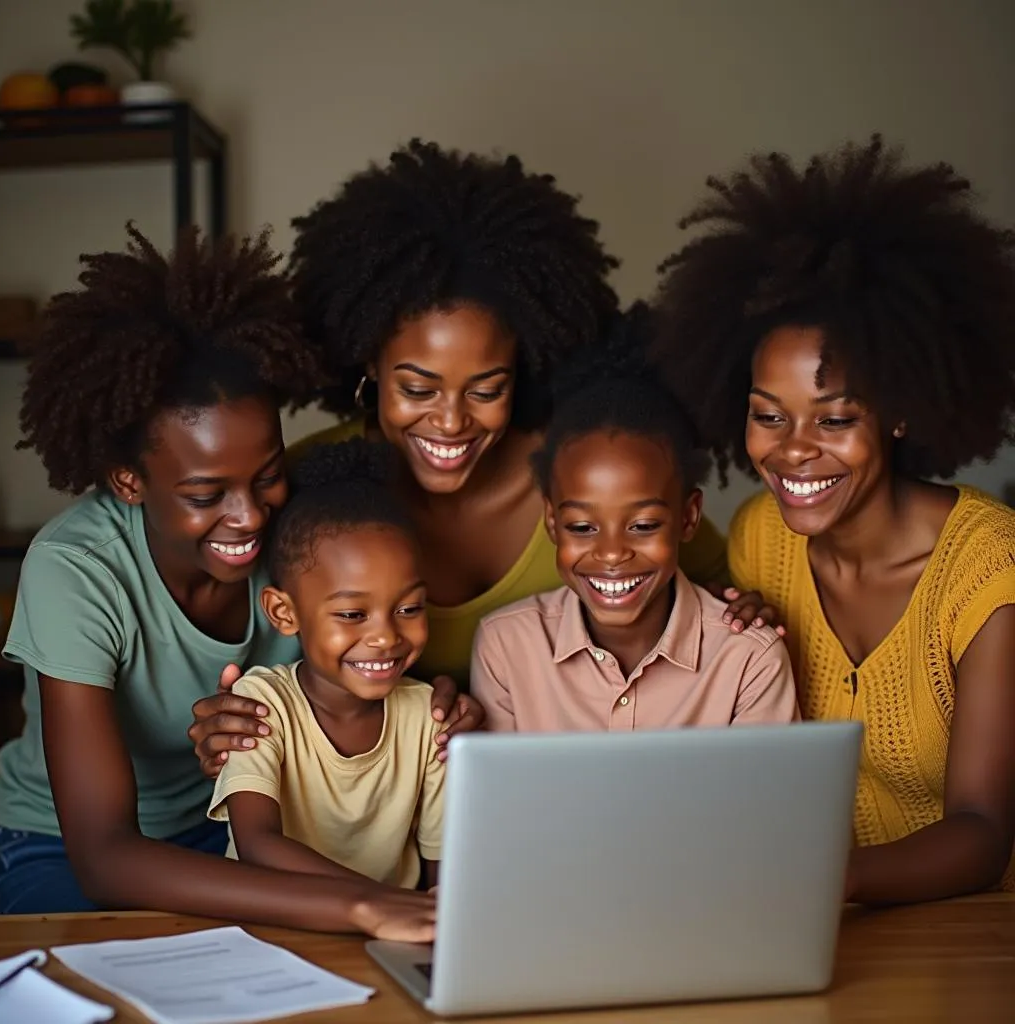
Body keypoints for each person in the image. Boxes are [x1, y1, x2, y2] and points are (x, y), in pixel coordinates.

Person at [186, 140, 781, 773]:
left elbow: (710, 590)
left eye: (486, 389)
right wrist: (228, 721)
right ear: (368, 363)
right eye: (417, 388)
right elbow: (264, 652)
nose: (450, 422)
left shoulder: (583, 472)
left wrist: (749, 608)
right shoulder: (311, 487)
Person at [0, 225, 435, 938]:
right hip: (61, 850)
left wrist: (430, 706)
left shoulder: (302, 540)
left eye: (266, 476)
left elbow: (368, 668)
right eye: (205, 494)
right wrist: (358, 903)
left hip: (229, 832)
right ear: (130, 481)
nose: (249, 515)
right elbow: (105, 854)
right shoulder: (76, 568)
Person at [655, 135, 1015, 903]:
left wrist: (818, 878)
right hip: (812, 927)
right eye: (767, 416)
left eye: (834, 417)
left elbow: (983, 832)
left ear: (899, 412)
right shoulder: (760, 537)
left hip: (973, 937)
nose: (793, 452)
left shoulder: (990, 568)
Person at [471, 305, 798, 732]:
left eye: (643, 526)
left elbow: (763, 799)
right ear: (551, 520)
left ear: (688, 517)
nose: (611, 553)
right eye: (582, 527)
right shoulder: (506, 646)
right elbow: (502, 796)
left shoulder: (748, 657)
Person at [209, 439, 445, 897]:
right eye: (353, 615)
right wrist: (388, 905)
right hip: (273, 927)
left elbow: (445, 871)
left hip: (392, 935)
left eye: (409, 608)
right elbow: (257, 844)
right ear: (283, 612)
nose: (386, 637)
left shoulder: (428, 720)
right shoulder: (262, 705)